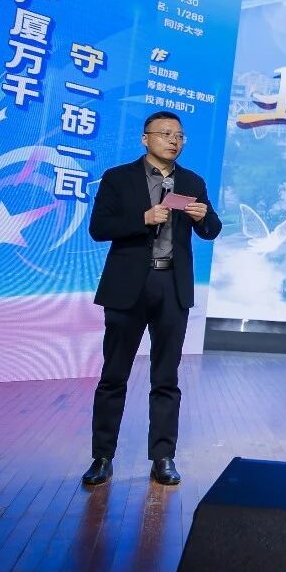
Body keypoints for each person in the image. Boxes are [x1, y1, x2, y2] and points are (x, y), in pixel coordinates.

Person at [81, 111, 222, 486]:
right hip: (128, 286)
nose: (173, 140)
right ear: (146, 139)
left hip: (172, 287)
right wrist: (142, 218)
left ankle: (163, 457)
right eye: (165, 133)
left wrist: (203, 217)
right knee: (114, 376)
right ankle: (102, 457)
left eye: (179, 135)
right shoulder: (118, 178)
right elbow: (99, 228)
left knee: (166, 378)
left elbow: (212, 230)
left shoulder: (191, 181)